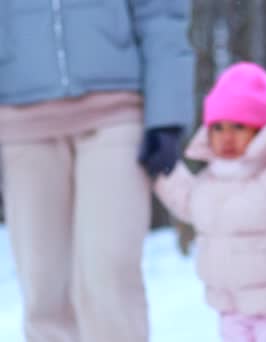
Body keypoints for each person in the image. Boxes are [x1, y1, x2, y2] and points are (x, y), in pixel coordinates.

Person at [0, 1, 193, 341]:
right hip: (20, 124)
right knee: (44, 289)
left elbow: (161, 14)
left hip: (115, 114)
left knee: (108, 278)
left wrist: (166, 115)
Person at [155, 62, 266, 342]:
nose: (227, 136)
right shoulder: (211, 178)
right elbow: (188, 202)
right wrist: (166, 170)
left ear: (261, 129)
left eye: (239, 126)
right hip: (231, 308)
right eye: (218, 127)